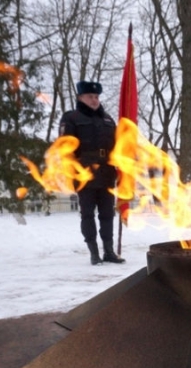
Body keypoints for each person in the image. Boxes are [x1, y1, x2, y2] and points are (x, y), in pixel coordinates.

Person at [59, 81, 125, 265]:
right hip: (84, 173)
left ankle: (109, 251)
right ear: (80, 97)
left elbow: (116, 146)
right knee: (87, 214)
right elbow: (65, 148)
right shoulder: (71, 118)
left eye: (96, 97)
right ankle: (94, 252)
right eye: (90, 97)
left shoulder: (108, 120)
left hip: (106, 173)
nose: (94, 100)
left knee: (107, 214)